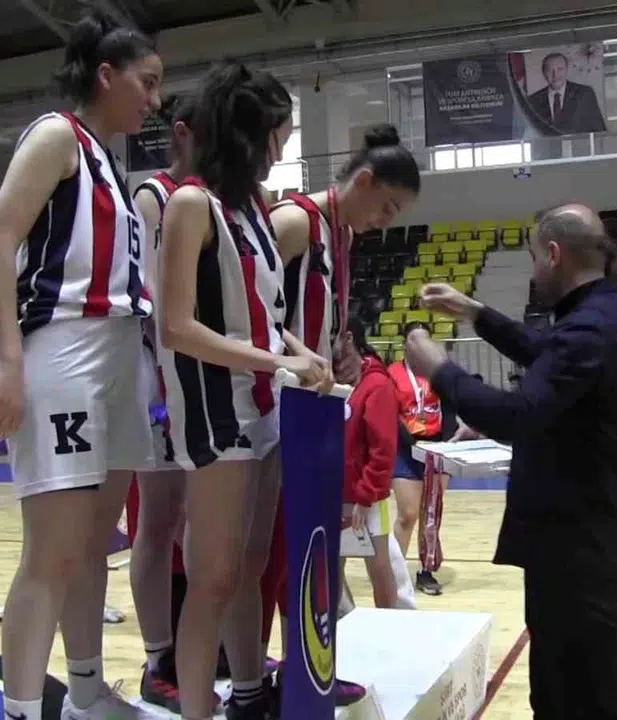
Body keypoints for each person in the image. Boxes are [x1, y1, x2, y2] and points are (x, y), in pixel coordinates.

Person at [0, 11, 162, 720]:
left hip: (119, 355)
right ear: (106, 76)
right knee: (51, 555)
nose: (154, 100)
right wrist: (9, 364)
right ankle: (21, 712)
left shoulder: (109, 165)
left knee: (90, 549)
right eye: (147, 83)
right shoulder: (57, 136)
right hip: (65, 352)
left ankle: (85, 695)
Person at [404, 203, 617, 720]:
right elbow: (548, 353)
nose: (534, 270)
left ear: (554, 254)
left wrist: (441, 371)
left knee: (575, 695)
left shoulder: (588, 331)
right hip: (609, 534)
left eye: (534, 257)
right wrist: (475, 312)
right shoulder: (613, 317)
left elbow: (517, 415)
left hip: (576, 547)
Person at [155, 61, 329, 720]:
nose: (281, 151)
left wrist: (302, 354)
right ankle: (197, 708)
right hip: (215, 415)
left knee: (251, 566)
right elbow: (175, 325)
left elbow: (268, 314)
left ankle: (249, 696)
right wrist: (274, 359)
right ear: (245, 134)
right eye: (276, 136)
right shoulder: (189, 204)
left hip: (262, 407)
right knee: (213, 581)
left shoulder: (255, 208)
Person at [264, 122, 422, 706]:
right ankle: (259, 677)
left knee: (311, 552)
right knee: (273, 557)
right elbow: (241, 304)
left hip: (314, 408)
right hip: (272, 406)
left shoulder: (341, 235)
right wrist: (298, 353)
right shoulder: (295, 220)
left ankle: (308, 669)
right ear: (364, 180)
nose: (387, 221)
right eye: (388, 206)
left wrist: (337, 354)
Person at [122, 93, 225, 715]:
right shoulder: (153, 197)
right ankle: (157, 659)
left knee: (198, 522)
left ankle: (201, 647)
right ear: (183, 135)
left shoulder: (210, 201)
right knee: (158, 523)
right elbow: (147, 303)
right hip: (159, 380)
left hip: (202, 382)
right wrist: (162, 389)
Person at [337, 316, 418, 611]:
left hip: (367, 500)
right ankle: (343, 627)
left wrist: (365, 496)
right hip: (334, 496)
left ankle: (390, 625)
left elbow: (383, 449)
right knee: (331, 573)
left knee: (380, 569)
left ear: (348, 339)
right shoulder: (335, 380)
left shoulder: (377, 384)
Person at [387, 322, 453, 596]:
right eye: (414, 340)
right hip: (406, 449)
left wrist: (447, 444)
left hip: (437, 449)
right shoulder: (392, 373)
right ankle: (394, 574)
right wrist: (412, 444)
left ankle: (425, 572)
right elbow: (391, 413)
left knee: (430, 514)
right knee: (408, 514)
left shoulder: (440, 371)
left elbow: (450, 407)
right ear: (405, 344)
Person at [519, 51, 606, 136]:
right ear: (544, 73)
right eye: (550, 70)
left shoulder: (585, 94)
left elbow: (599, 131)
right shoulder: (532, 101)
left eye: (560, 69)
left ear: (566, 69)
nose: (555, 75)